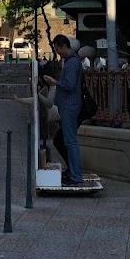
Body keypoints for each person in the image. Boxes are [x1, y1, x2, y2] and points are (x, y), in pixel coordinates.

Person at [44, 34, 84, 186]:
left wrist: (54, 82)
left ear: (63, 47)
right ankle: (73, 172)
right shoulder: (69, 61)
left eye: (57, 49)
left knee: (70, 141)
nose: (57, 52)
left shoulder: (72, 63)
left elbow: (70, 84)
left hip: (70, 105)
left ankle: (75, 176)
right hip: (67, 105)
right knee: (67, 140)